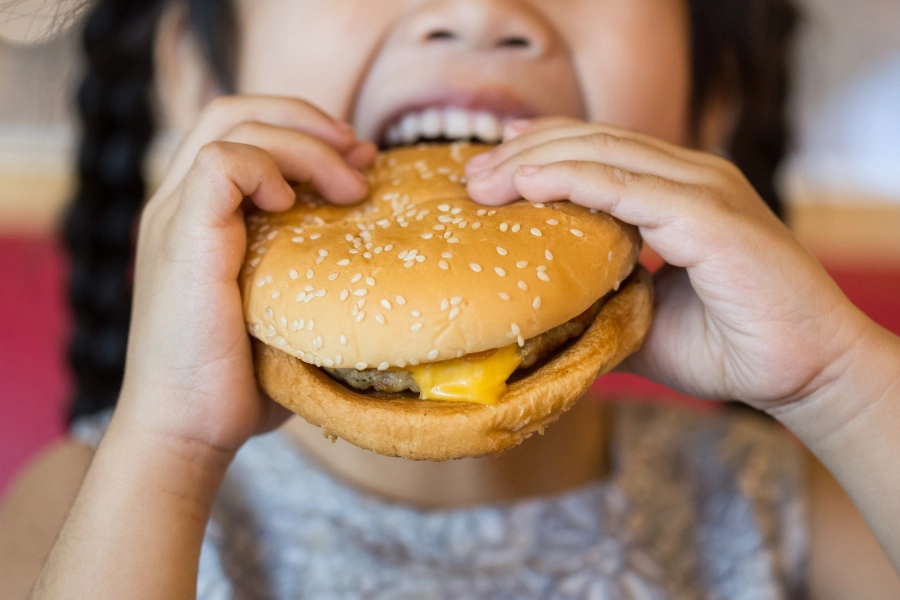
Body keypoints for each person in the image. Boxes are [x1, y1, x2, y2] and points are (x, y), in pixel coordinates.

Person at [1, 0, 899, 597]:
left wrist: (839, 385)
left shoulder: (780, 502)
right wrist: (173, 446)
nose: (478, 11)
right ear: (198, 80)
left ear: (713, 105)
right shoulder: (106, 493)